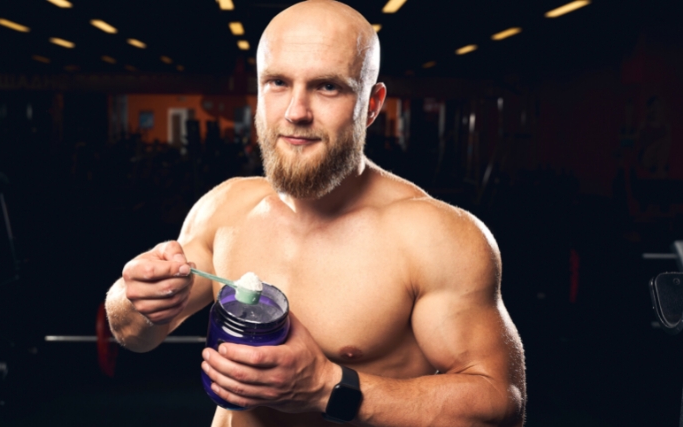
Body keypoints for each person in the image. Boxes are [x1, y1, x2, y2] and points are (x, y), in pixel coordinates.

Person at [104, 1, 526, 425]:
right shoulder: (226, 207)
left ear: (372, 103)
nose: (295, 112)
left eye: (327, 87)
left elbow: (498, 406)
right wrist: (136, 297)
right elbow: (134, 335)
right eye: (278, 83)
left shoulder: (434, 236)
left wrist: (327, 387)